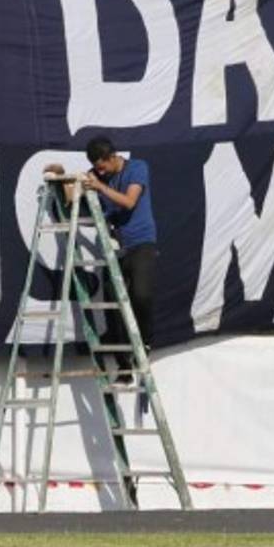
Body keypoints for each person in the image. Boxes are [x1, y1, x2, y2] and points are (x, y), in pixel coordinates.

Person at [44, 136, 157, 379]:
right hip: (114, 248)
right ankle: (124, 367)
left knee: (141, 295)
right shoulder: (97, 175)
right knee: (113, 307)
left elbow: (129, 202)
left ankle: (145, 342)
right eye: (96, 168)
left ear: (113, 157)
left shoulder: (137, 168)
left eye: (102, 166)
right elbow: (71, 198)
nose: (100, 171)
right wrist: (61, 178)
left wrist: (100, 187)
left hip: (141, 244)